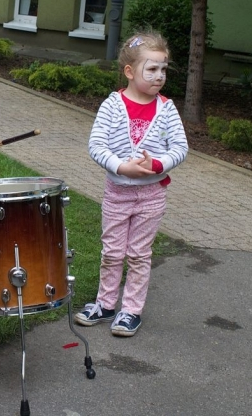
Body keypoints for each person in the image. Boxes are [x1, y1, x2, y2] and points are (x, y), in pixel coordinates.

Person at [74, 31, 189, 337]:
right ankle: (106, 303)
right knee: (112, 252)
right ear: (129, 71)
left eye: (163, 69)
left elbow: (180, 147)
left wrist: (159, 164)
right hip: (117, 194)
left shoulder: (167, 109)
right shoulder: (112, 106)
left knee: (138, 254)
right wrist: (121, 166)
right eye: (151, 69)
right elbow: (97, 145)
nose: (159, 76)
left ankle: (131, 310)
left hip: (151, 196)